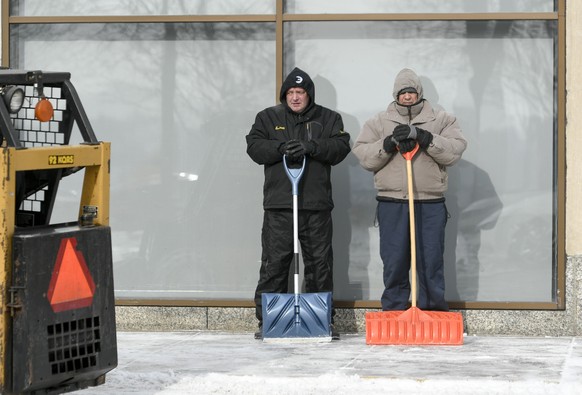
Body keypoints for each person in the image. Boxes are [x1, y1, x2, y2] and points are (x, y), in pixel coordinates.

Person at [246, 67, 350, 339]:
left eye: (300, 92)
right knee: (275, 264)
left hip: (315, 206)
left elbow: (341, 148)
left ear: (309, 95)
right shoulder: (268, 118)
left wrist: (311, 147)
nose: (295, 97)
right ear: (284, 95)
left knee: (319, 264)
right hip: (279, 205)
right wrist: (279, 148)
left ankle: (320, 320)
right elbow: (254, 147)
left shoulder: (328, 118)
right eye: (290, 92)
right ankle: (269, 320)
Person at [352, 68, 467, 312]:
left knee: (430, 261)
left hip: (430, 203)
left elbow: (455, 151)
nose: (407, 97)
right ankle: (394, 311)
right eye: (402, 92)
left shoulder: (442, 119)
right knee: (394, 262)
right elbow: (363, 155)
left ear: (419, 94)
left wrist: (424, 137)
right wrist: (388, 143)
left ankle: (432, 311)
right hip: (392, 203)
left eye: (411, 92)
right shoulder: (378, 122)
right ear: (395, 94)